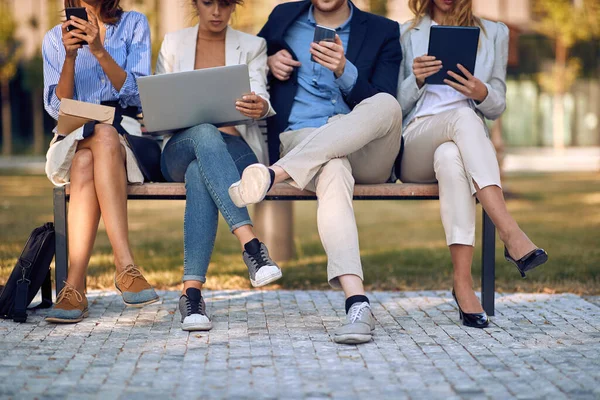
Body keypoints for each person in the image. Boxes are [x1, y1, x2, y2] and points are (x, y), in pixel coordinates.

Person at [228, 0, 403, 344]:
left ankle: (273, 174)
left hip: (365, 150)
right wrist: (268, 62)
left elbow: (381, 100)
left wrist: (344, 70)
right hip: (303, 138)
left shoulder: (383, 31)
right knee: (333, 167)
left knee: (387, 103)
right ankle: (357, 302)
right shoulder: (283, 17)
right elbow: (254, 61)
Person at [397, 0, 548, 328]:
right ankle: (511, 233)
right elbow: (392, 103)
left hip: (461, 147)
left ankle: (463, 285)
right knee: (463, 118)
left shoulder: (494, 32)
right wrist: (416, 79)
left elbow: (497, 104)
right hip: (417, 140)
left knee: (451, 158)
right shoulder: (406, 33)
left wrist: (481, 92)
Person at [156, 0, 283, 332]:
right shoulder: (173, 43)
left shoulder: (253, 46)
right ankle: (252, 246)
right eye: (208, 3)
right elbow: (158, 106)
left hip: (235, 149)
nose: (216, 12)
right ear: (195, 4)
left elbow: (261, 93)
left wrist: (260, 105)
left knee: (202, 171)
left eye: (225, 4)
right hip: (180, 148)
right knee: (204, 134)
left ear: (234, 7)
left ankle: (192, 295)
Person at [42, 0, 159, 323]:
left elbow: (137, 95)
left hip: (126, 134)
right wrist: (70, 57)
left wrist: (98, 50)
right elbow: (56, 107)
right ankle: (125, 267)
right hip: (75, 133)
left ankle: (75, 288)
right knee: (88, 152)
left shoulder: (134, 24)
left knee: (99, 143)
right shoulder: (55, 39)